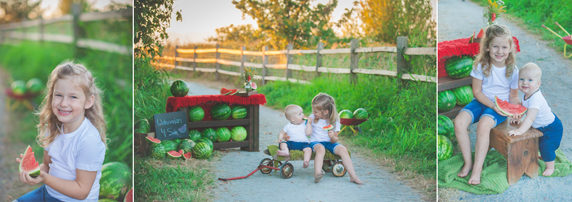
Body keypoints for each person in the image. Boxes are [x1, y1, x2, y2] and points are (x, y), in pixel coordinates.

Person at [16, 62, 107, 201]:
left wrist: (45, 178)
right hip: (49, 193)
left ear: (88, 101)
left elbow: (81, 191)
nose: (64, 103)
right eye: (58, 95)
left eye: (73, 97)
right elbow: (47, 166)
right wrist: (33, 173)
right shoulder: (52, 127)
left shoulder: (89, 140)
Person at [454, 24, 519, 185]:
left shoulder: (513, 70)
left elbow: (513, 95)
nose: (500, 51)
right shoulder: (480, 66)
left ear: (510, 48)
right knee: (459, 122)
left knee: (483, 125)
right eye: (495, 46)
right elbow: (477, 92)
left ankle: (477, 168)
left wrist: (515, 112)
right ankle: (468, 162)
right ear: (488, 47)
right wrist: (492, 105)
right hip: (481, 101)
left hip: (499, 109)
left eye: (504, 47)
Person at [508, 63, 563, 176]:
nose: (525, 82)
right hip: (541, 125)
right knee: (538, 144)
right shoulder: (526, 94)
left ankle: (550, 167)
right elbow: (526, 111)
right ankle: (544, 155)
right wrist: (519, 120)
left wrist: (519, 131)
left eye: (530, 80)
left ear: (538, 84)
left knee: (547, 146)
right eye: (522, 79)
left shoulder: (535, 99)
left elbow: (530, 119)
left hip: (551, 128)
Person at [309, 93, 362, 184]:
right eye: (313, 111)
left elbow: (335, 140)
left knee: (343, 149)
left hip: (329, 142)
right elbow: (308, 133)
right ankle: (317, 173)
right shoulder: (312, 118)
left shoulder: (335, 121)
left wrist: (332, 136)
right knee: (320, 149)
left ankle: (353, 176)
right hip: (315, 142)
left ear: (325, 112)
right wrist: (309, 124)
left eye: (316, 111)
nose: (313, 113)